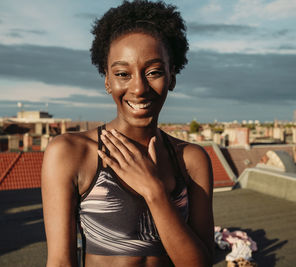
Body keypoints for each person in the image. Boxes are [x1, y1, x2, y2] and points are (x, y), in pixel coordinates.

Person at [41, 1, 214, 266]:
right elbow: (61, 262)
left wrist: (154, 191)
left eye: (154, 72)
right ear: (107, 81)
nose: (139, 88)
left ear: (172, 76)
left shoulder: (191, 159)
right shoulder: (70, 153)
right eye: (123, 73)